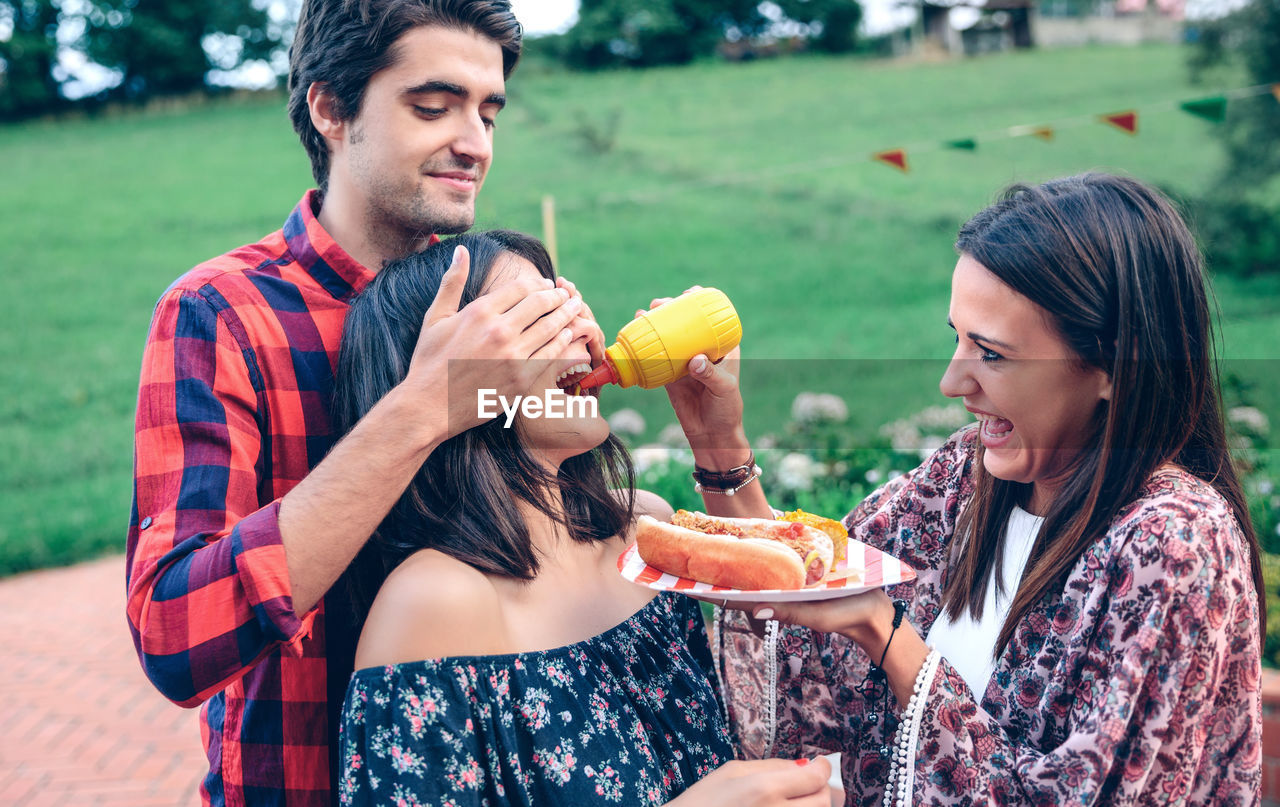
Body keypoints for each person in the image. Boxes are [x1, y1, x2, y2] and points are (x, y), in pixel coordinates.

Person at [660, 173, 1264, 805]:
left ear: (1113, 366)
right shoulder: (966, 478)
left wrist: (887, 636)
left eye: (993, 354)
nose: (953, 381)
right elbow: (810, 606)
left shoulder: (1176, 542)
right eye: (957, 337)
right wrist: (719, 446)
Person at [125, 3, 599, 804]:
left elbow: (568, 525)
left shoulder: (494, 296)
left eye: (489, 112)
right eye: (432, 106)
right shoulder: (221, 312)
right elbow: (177, 637)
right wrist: (424, 408)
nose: (476, 143)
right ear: (330, 108)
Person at [329, 229, 836, 806]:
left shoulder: (643, 534)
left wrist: (719, 444)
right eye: (535, 318)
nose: (587, 332)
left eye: (570, 303)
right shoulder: (434, 602)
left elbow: (795, 687)